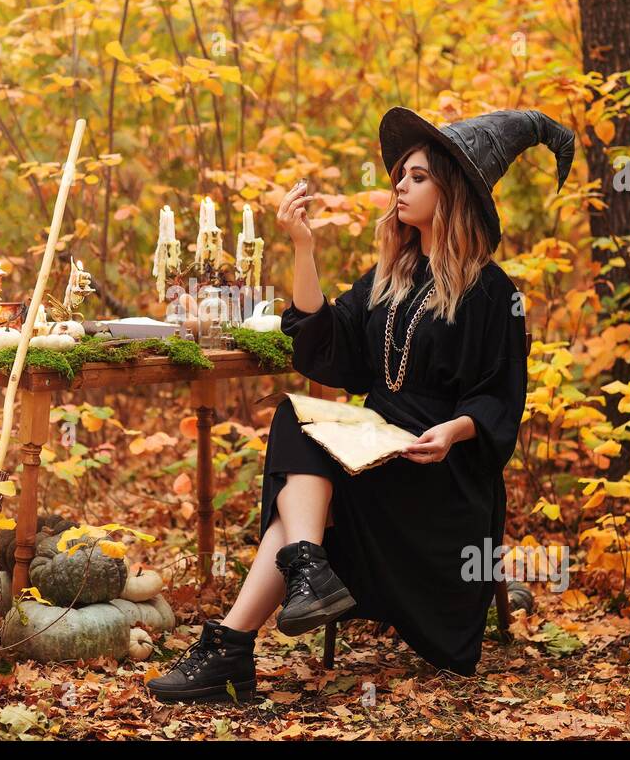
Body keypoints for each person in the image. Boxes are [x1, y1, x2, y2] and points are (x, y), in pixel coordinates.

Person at [147, 107, 574, 703]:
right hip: (374, 443)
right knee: (298, 420)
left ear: (451, 192)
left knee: (300, 474)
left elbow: (500, 396)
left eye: (418, 176)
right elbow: (327, 343)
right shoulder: (389, 277)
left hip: (438, 470)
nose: (399, 185)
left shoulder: (491, 291)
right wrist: (302, 246)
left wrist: (452, 432)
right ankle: (288, 588)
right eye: (401, 175)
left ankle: (242, 637)